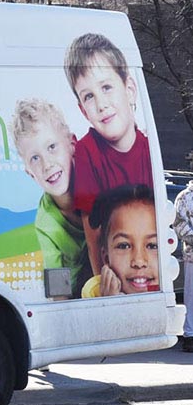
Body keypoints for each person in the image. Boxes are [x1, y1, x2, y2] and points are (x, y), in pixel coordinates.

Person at [64, 33, 153, 276]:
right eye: (89, 96)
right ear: (83, 111)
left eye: (106, 87)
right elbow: (92, 232)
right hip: (114, 271)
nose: (101, 103)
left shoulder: (148, 148)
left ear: (129, 89)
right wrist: (102, 285)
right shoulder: (86, 152)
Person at [10, 99, 90, 299]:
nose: (47, 164)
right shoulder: (46, 223)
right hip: (78, 294)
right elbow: (57, 287)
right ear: (30, 173)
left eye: (52, 147)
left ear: (72, 144)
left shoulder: (94, 180)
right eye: (35, 158)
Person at [80, 185, 159, 298]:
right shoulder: (94, 293)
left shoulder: (167, 289)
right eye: (124, 245)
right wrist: (111, 303)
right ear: (106, 257)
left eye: (152, 246)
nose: (139, 262)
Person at [172, 179, 193, 352]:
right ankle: (190, 335)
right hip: (192, 255)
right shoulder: (185, 197)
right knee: (191, 296)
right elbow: (179, 223)